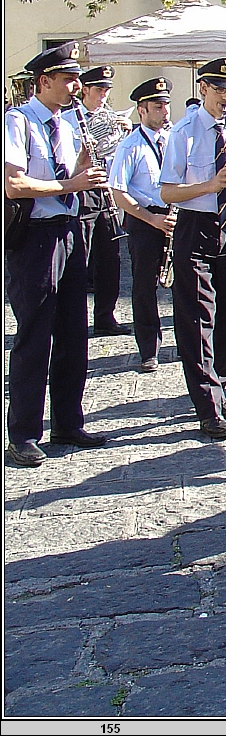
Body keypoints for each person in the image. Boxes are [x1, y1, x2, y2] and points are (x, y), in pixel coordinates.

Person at [3, 43, 110, 467]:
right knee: (35, 333)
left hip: (69, 230)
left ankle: (69, 420)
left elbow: (71, 174)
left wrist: (85, 166)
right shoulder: (18, 121)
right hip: (34, 237)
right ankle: (24, 432)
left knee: (72, 332)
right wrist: (72, 186)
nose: (75, 86)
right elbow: (14, 184)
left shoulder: (66, 124)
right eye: (67, 79)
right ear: (43, 81)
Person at [160, 58, 226, 439]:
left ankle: (221, 385)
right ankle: (206, 403)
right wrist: (211, 183)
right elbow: (168, 191)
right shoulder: (184, 131)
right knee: (197, 317)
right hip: (196, 225)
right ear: (203, 89)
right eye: (219, 90)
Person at [108, 77, 178, 373]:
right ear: (142, 110)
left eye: (166, 105)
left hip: (174, 217)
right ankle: (149, 348)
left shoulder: (176, 138)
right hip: (145, 220)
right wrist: (152, 220)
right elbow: (118, 192)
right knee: (145, 287)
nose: (165, 111)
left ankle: (189, 343)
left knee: (184, 283)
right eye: (158, 106)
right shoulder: (131, 145)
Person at [67, 65, 130, 336]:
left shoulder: (110, 118)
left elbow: (116, 155)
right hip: (80, 189)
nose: (103, 95)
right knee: (79, 258)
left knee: (110, 258)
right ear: (85, 90)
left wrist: (126, 133)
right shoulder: (70, 119)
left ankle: (105, 316)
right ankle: (73, 319)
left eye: (106, 90)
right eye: (99, 89)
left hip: (105, 189)